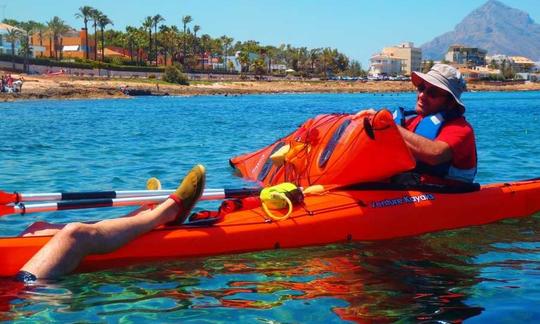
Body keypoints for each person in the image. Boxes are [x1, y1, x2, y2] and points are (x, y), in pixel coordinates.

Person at [16, 164, 206, 282]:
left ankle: (141, 214)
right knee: (76, 235)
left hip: (19, 291)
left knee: (37, 229)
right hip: (26, 294)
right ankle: (167, 212)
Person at [359, 64, 477, 185]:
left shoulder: (461, 129)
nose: (422, 96)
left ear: (450, 102)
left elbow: (435, 154)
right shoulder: (411, 120)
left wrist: (385, 124)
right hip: (402, 191)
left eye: (432, 93)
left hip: (444, 196)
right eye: (421, 88)